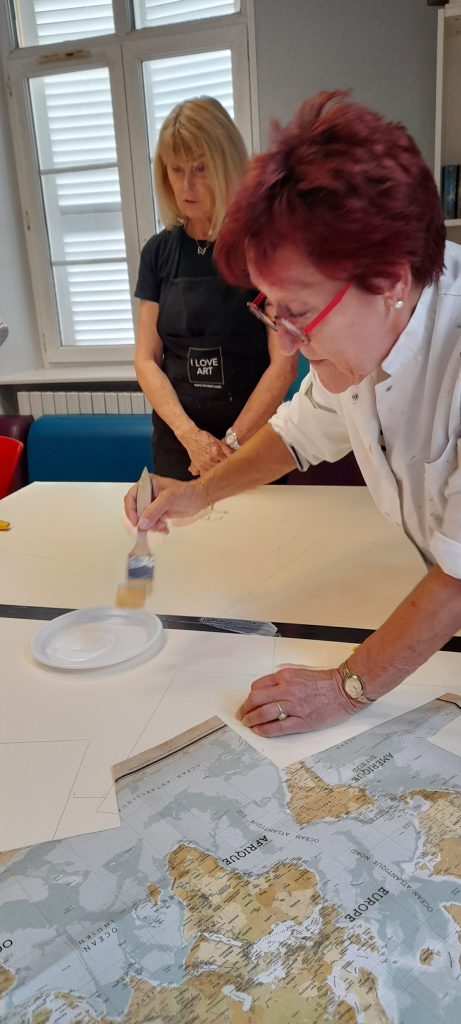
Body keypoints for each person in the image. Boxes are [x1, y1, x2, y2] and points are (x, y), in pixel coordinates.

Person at [125, 90, 461, 737]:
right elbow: (295, 435)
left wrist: (346, 686)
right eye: (270, 311)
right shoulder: (362, 335)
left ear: (392, 279)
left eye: (299, 313)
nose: (284, 345)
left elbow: (459, 575)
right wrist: (199, 492)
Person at [134, 96, 297, 479]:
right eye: (176, 170)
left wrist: (230, 445)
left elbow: (284, 364)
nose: (186, 185)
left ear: (226, 165)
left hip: (253, 445)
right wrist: (191, 438)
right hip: (180, 448)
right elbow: (146, 360)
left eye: (200, 169)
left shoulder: (262, 248)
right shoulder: (157, 253)